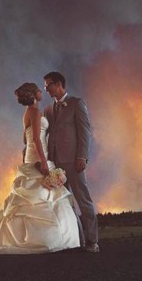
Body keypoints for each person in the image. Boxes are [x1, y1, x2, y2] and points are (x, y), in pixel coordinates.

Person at [0, 82, 82, 255]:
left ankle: (34, 237)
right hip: (39, 155)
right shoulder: (36, 112)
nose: (42, 91)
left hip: (32, 155)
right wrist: (44, 161)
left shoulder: (27, 113)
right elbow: (37, 140)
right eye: (39, 90)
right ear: (33, 94)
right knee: (43, 196)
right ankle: (47, 240)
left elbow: (26, 139)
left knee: (35, 195)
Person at [42, 71, 99, 253]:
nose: (46, 89)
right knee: (66, 205)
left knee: (83, 200)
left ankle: (92, 241)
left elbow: (85, 132)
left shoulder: (76, 103)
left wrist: (82, 156)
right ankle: (77, 241)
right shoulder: (48, 109)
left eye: (48, 85)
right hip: (55, 164)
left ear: (58, 84)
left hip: (74, 162)